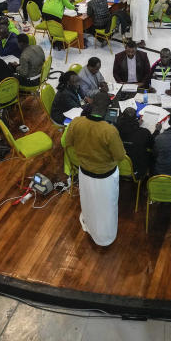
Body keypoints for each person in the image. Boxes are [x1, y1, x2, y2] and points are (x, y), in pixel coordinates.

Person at [62, 92, 126, 246]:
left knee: (89, 202)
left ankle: (91, 227)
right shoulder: (109, 131)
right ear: (107, 109)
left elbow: (67, 143)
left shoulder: (77, 123)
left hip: (84, 172)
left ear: (91, 104)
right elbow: (120, 156)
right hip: (105, 177)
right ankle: (105, 237)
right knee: (106, 208)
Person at [116, 108, 153, 179]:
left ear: (122, 117)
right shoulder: (144, 133)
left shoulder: (114, 131)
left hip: (117, 169)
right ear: (135, 119)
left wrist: (136, 124)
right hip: (137, 172)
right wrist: (157, 131)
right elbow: (152, 145)